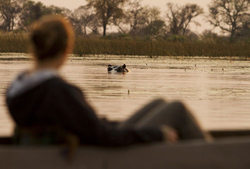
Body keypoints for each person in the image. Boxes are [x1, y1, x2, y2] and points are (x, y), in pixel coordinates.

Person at [5, 15, 210, 146]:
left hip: (88, 140)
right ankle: (220, 157)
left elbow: (87, 124)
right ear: (66, 49)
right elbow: (100, 136)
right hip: (101, 151)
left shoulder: (17, 88)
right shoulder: (58, 91)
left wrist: (117, 125)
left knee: (159, 103)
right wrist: (157, 134)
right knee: (176, 109)